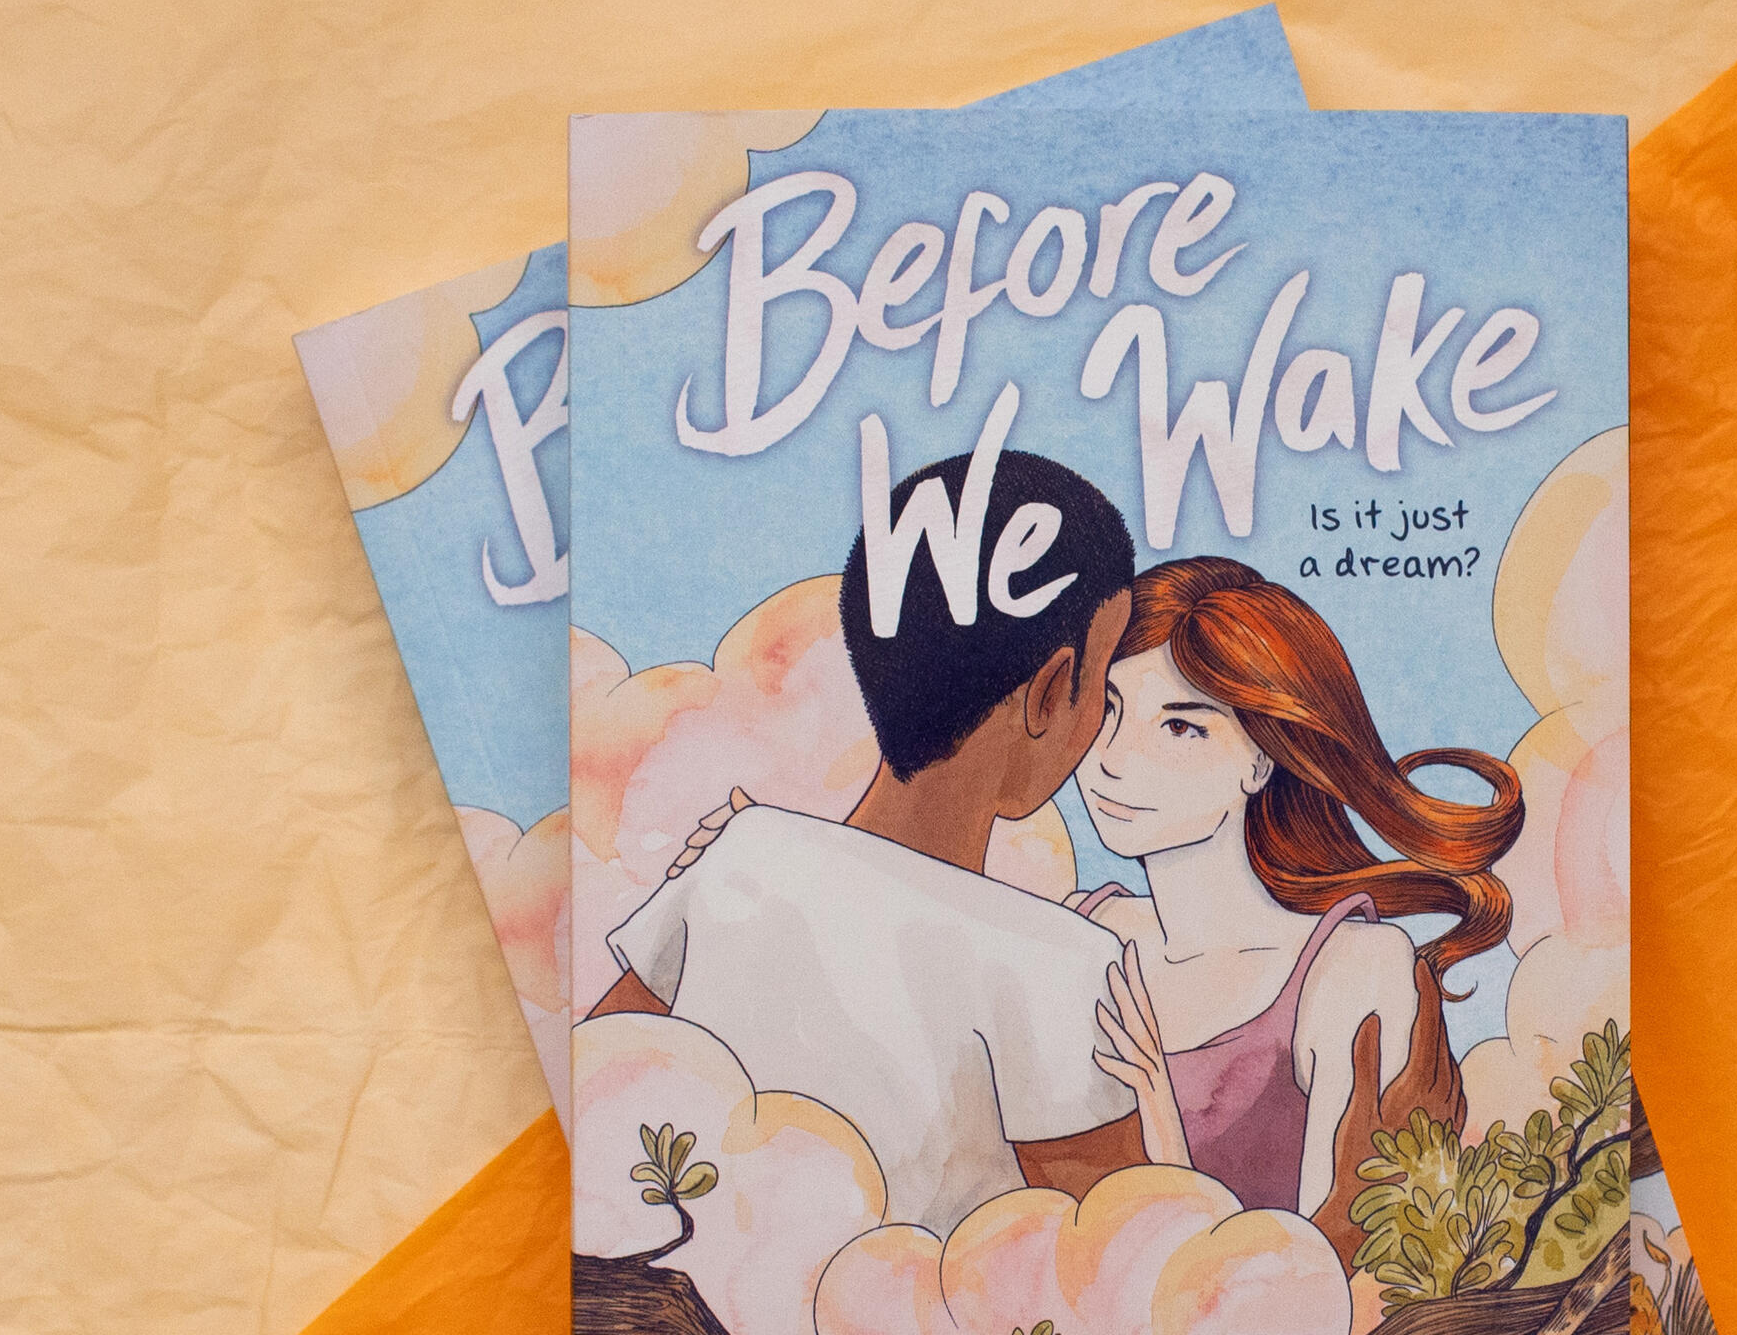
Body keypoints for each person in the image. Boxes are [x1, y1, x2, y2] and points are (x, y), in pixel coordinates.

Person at [588, 434, 1150, 1237]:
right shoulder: (1063, 965)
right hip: (918, 1316)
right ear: (1052, 690)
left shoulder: (739, 858)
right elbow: (1124, 1254)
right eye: (1103, 685)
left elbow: (598, 1079)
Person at [1075, 556, 1522, 1247]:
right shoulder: (1085, 929)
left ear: (1261, 759)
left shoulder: (1353, 970)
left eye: (1180, 727)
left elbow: (1323, 1275)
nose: (1111, 758)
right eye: (1107, 709)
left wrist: (1158, 1112)